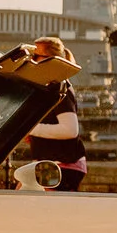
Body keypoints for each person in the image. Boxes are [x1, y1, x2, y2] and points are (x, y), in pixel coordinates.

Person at [23, 36, 88, 190]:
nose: (31, 60)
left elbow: (70, 130)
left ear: (51, 60)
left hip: (60, 166)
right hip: (52, 164)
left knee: (27, 202)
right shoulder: (50, 87)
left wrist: (31, 128)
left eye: (36, 56)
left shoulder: (60, 89)